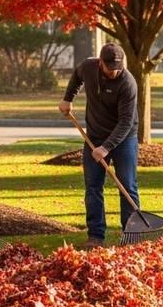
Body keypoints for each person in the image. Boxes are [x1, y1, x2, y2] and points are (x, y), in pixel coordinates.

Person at [58, 43, 139, 248]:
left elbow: (126, 122)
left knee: (127, 186)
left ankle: (131, 235)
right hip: (94, 136)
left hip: (124, 139)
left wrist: (107, 147)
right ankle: (96, 236)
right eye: (109, 67)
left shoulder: (128, 83)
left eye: (117, 67)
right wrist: (68, 99)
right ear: (100, 62)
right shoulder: (88, 67)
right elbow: (76, 76)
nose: (114, 71)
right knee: (93, 187)